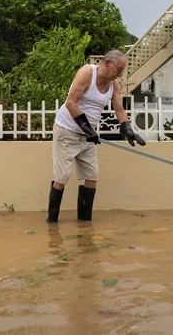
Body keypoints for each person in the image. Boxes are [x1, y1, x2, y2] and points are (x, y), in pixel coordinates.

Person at [46, 49, 146, 223]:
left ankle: (85, 223)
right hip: (67, 131)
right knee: (61, 177)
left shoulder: (114, 86)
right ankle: (52, 222)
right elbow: (70, 103)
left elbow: (119, 109)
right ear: (107, 63)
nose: (120, 74)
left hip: (88, 136)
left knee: (92, 177)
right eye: (119, 69)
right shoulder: (87, 73)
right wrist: (87, 128)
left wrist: (127, 129)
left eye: (122, 70)